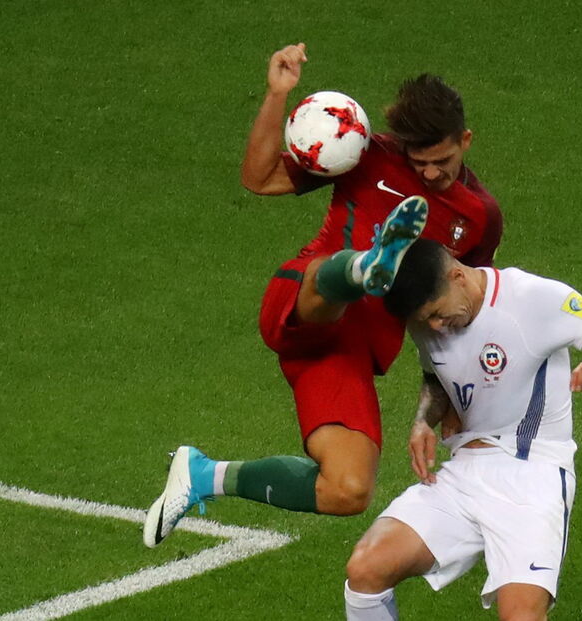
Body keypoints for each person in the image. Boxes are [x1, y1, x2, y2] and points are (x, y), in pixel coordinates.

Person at [142, 43, 503, 547]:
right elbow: (259, 179)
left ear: (465, 140)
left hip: (349, 351)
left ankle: (203, 474)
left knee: (349, 490)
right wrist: (277, 94)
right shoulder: (366, 152)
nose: (428, 174)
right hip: (303, 299)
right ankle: (363, 267)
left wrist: (440, 412)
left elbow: (459, 318)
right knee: (334, 282)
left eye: (440, 161)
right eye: (418, 162)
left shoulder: (478, 217)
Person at [343, 239, 582, 620]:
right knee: (366, 568)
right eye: (426, 321)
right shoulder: (427, 319)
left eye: (438, 314)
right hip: (462, 473)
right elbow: (436, 375)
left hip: (531, 476)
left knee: (520, 616)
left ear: (458, 276)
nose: (436, 327)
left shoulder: (532, 299)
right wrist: (424, 420)